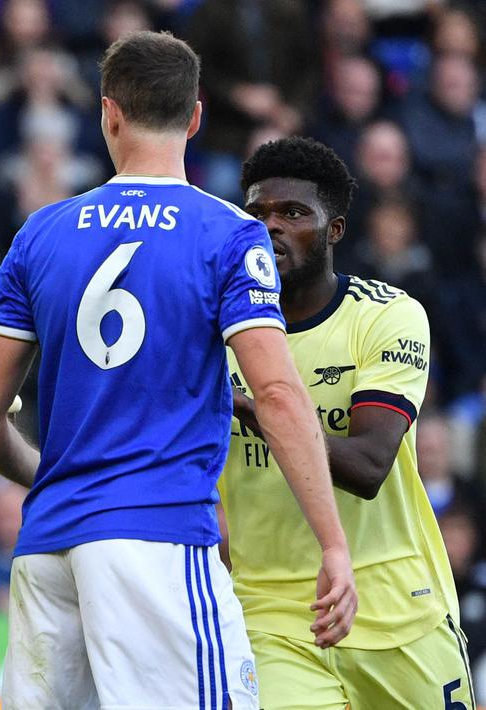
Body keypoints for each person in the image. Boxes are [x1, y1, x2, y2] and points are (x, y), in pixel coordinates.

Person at [0, 31, 357, 709]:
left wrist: (57, 478)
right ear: (196, 115)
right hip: (156, 540)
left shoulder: (41, 231)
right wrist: (334, 545)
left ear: (107, 113)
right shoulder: (228, 234)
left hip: (48, 548)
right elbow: (279, 396)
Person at [222, 136, 474, 709]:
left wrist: (247, 406)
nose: (271, 227)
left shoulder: (388, 316)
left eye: (293, 213)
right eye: (257, 213)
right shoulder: (214, 335)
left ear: (334, 230)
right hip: (273, 616)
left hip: (398, 607)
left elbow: (368, 465)